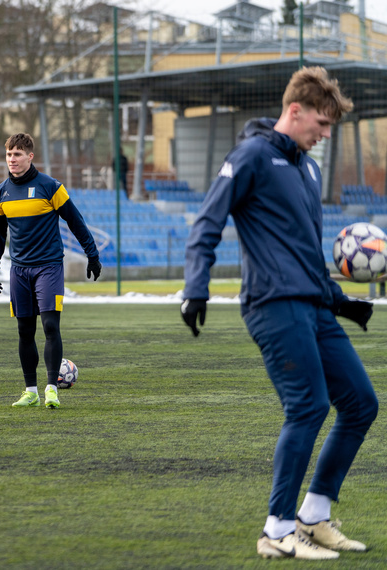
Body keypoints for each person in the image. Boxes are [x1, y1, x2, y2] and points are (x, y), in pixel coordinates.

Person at [181, 67, 378, 560]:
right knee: (308, 406)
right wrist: (195, 288)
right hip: (272, 305)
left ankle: (313, 516)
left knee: (360, 402)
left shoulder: (309, 170)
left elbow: (306, 252)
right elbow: (209, 220)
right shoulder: (250, 156)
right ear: (296, 111)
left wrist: (341, 302)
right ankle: (277, 530)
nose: (326, 135)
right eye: (322, 124)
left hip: (314, 306)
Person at [0, 133, 102, 409]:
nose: (12, 160)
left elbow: (76, 221)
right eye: (8, 155)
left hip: (49, 267)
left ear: (30, 156)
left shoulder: (50, 187)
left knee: (50, 326)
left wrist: (92, 254)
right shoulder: (0, 193)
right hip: (19, 271)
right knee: (24, 331)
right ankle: (31, 391)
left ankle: (52, 389)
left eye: (17, 154)